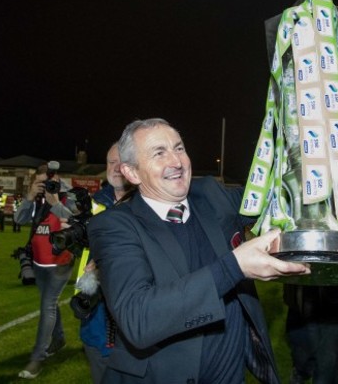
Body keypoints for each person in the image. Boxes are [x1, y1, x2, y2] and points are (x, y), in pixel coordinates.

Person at [87, 118, 310, 383]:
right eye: (159, 153)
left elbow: (275, 193)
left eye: (179, 148)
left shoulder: (210, 195)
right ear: (132, 173)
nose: (177, 161)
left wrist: (305, 140)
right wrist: (234, 266)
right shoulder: (114, 225)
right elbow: (139, 319)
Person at [14, 164, 76, 379]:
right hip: (39, 262)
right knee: (49, 302)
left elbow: (77, 223)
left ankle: (37, 358)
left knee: (47, 305)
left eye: (48, 181)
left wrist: (56, 204)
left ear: (57, 178)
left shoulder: (70, 195)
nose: (45, 186)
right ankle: (58, 339)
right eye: (39, 183)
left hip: (61, 261)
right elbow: (19, 220)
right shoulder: (36, 198)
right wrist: (30, 196)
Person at [79, 142, 134, 384]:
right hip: (95, 318)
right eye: (110, 162)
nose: (114, 167)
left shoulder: (151, 206)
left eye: (120, 161)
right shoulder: (93, 204)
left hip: (135, 323)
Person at [285, 283, 338, 384]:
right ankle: (301, 371)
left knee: (328, 365)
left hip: (336, 305)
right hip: (302, 302)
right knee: (302, 354)